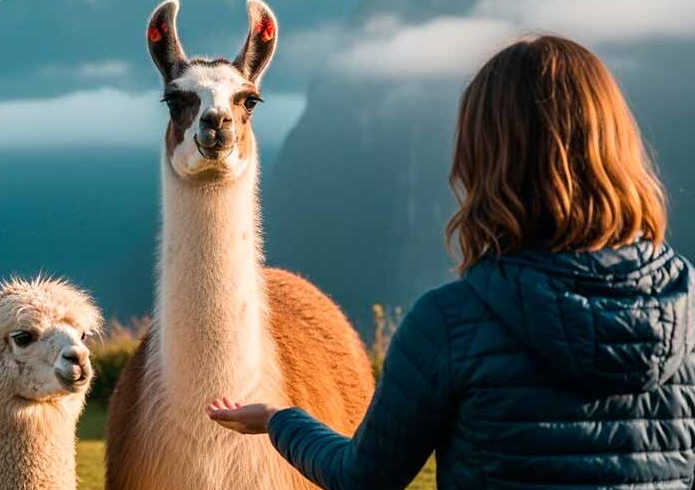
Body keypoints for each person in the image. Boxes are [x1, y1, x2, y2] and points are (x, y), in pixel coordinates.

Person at [206, 35, 695, 489]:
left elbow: (362, 477)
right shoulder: (685, 303)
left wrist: (279, 420)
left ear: (481, 157)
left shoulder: (451, 325)